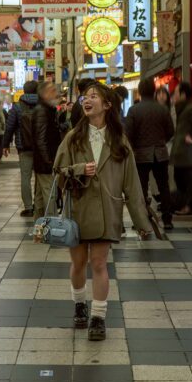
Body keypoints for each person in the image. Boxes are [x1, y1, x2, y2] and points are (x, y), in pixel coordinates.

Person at [54, 82, 152, 341]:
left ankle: (98, 317)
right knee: (78, 263)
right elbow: (58, 174)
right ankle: (79, 304)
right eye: (85, 97)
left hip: (107, 211)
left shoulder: (120, 141)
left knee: (99, 263)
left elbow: (132, 185)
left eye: (94, 97)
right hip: (78, 210)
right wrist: (77, 170)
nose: (87, 100)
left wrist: (142, 223)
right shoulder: (72, 137)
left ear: (107, 105)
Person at [126, 79, 175, 228]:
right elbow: (170, 131)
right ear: (154, 91)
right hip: (160, 153)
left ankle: (142, 219)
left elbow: (128, 133)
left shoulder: (134, 110)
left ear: (140, 91)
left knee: (141, 188)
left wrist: (134, 147)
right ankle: (167, 220)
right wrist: (160, 141)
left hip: (141, 154)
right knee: (164, 187)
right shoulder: (162, 109)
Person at [3, 80, 40, 217]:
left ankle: (28, 207)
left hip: (23, 148)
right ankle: (39, 204)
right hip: (40, 149)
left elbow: (10, 127)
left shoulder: (17, 107)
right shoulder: (42, 105)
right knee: (40, 177)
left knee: (25, 177)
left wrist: (5, 145)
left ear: (24, 91)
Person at [171, 82, 192, 220]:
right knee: (180, 180)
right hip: (180, 153)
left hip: (187, 154)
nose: (174, 96)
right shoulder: (181, 109)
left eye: (176, 93)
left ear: (183, 95)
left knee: (188, 182)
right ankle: (185, 205)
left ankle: (190, 207)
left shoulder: (190, 109)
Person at [33, 81, 62, 219]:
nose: (56, 93)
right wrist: (49, 161)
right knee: (50, 194)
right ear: (44, 94)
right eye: (52, 90)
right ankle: (52, 223)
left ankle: (38, 225)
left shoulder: (47, 110)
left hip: (44, 160)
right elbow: (41, 139)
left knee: (40, 194)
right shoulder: (42, 111)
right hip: (45, 162)